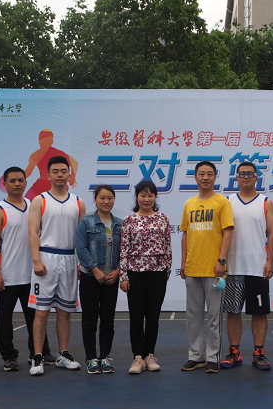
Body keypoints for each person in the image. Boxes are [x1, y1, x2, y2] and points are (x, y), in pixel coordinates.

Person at [0, 166, 54, 372]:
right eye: (12, 180)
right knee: (4, 319)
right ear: (4, 184)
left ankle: (40, 352)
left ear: (26, 182)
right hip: (8, 274)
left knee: (36, 316)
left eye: (20, 180)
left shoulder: (34, 205)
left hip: (33, 274)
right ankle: (9, 356)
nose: (17, 184)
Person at [28, 156, 86, 376]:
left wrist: (80, 262)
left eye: (64, 171)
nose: (60, 175)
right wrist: (36, 260)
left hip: (69, 259)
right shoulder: (40, 200)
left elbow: (81, 237)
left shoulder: (78, 202)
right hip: (46, 257)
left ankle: (63, 354)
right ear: (48, 174)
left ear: (69, 174)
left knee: (65, 311)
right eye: (56, 171)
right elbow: (33, 231)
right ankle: (37, 356)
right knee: (41, 311)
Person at [219, 162, 273, 371]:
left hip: (257, 267)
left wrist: (270, 261)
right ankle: (234, 352)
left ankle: (258, 353)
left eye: (250, 174)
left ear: (256, 177)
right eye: (242, 174)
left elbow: (272, 233)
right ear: (236, 177)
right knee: (233, 312)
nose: (246, 177)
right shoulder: (227, 202)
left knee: (259, 313)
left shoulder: (265, 202)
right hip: (233, 268)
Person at [180, 161, 234, 374]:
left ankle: (213, 357)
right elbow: (185, 234)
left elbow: (228, 233)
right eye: (201, 174)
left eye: (209, 174)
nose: (205, 177)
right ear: (195, 177)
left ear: (214, 177)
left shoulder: (222, 202)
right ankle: (196, 356)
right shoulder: (189, 204)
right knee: (193, 316)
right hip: (193, 268)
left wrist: (222, 261)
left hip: (214, 270)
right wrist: (183, 262)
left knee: (214, 317)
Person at [119, 181, 172, 374]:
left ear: (155, 197)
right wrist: (124, 276)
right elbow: (124, 249)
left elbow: (167, 246)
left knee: (153, 316)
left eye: (150, 195)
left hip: (157, 273)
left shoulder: (162, 218)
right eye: (143, 195)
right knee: (136, 316)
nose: (147, 199)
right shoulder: (129, 220)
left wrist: (166, 271)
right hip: (135, 273)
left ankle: (149, 355)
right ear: (137, 197)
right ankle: (138, 358)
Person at [76, 185, 122, 375]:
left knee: (108, 320)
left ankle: (104, 357)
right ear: (95, 200)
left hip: (111, 279)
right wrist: (94, 269)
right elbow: (81, 248)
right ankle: (91, 358)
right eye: (102, 198)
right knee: (89, 320)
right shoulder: (86, 222)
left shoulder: (120, 224)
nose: (106, 201)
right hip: (90, 277)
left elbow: (125, 250)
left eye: (110, 198)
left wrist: (118, 271)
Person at [24, 129, 79, 200]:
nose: (44, 143)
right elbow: (28, 172)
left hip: (57, 185)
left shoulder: (58, 153)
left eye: (47, 141)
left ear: (51, 141)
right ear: (39, 141)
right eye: (42, 140)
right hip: (40, 185)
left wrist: (72, 177)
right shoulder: (35, 155)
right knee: (27, 201)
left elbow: (74, 163)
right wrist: (18, 177)